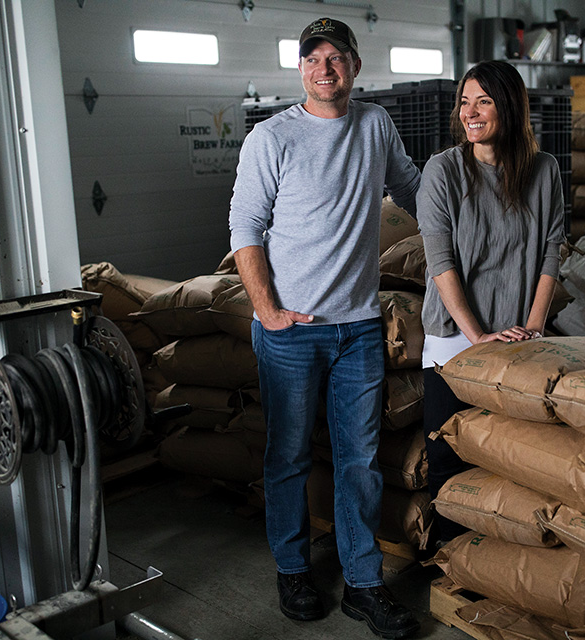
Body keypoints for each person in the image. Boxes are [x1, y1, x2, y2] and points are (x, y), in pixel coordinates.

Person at [228, 16, 421, 639]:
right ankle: (292, 566)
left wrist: (466, 228)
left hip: (359, 328)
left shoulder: (375, 125)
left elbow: (413, 189)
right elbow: (245, 229)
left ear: (356, 67)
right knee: (286, 452)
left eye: (336, 57)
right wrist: (267, 312)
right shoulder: (272, 137)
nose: (324, 68)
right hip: (290, 332)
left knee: (359, 459)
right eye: (313, 59)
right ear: (301, 69)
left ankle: (363, 584)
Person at [417, 60, 566, 543]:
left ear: (509, 106)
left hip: (517, 338)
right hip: (453, 341)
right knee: (446, 454)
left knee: (511, 457)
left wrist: (535, 327)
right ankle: (447, 558)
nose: (470, 112)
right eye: (465, 101)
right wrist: (476, 335)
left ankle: (494, 561)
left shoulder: (543, 170)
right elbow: (441, 263)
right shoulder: (442, 171)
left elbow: (550, 251)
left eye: (483, 100)